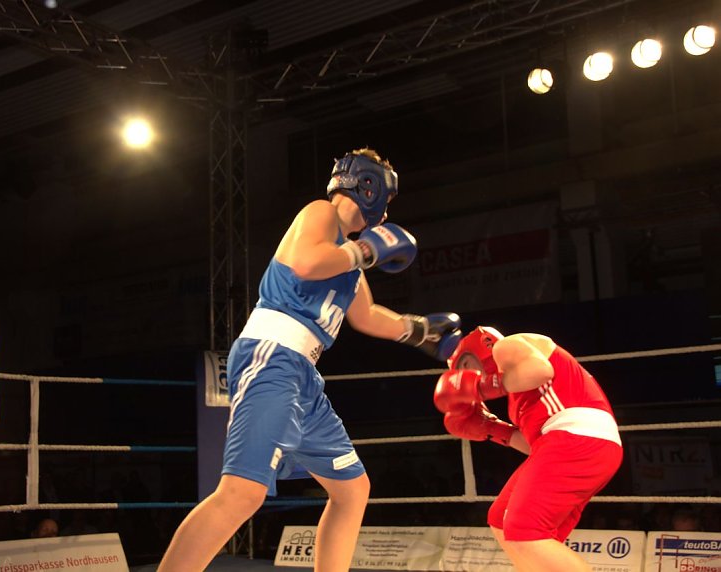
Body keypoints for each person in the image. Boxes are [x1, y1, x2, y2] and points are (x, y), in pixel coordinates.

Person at [158, 148, 461, 572]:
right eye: (387, 198)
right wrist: (366, 251)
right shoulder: (321, 214)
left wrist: (420, 330)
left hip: (303, 374)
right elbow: (306, 263)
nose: (387, 210)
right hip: (272, 354)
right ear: (368, 187)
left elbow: (367, 316)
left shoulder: (349, 257)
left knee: (351, 490)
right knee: (242, 493)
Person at [433, 326, 623, 572]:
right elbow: (533, 447)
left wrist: (480, 387)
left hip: (579, 437)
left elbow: (540, 371)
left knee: (525, 528)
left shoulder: (508, 345)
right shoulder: (518, 400)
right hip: (574, 443)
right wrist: (490, 427)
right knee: (500, 520)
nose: (469, 375)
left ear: (483, 346)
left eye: (466, 366)